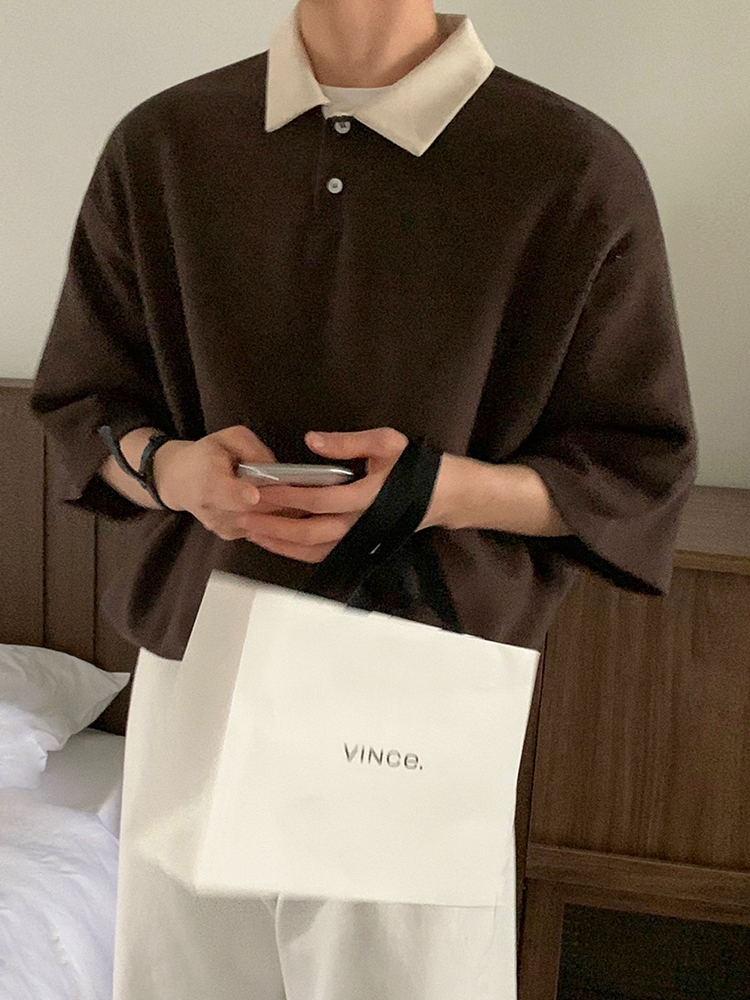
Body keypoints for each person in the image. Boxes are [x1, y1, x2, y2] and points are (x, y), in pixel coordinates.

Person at [30, 1, 697, 997]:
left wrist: (437, 490)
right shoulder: (165, 144)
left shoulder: (568, 166)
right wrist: (172, 469)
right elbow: (86, 404)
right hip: (202, 661)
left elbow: (637, 466)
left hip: (419, 672)